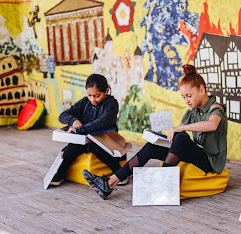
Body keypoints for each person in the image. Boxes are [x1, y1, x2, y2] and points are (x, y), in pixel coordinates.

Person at [83, 64, 228, 200]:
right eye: (184, 97)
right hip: (196, 154)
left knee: (182, 136)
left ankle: (160, 186)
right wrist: (164, 139)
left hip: (210, 162)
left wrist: (180, 129)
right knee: (151, 147)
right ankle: (109, 183)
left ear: (202, 90)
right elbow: (178, 138)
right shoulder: (192, 111)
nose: (186, 100)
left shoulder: (216, 108)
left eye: (189, 96)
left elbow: (212, 125)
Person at [50, 74, 126, 186]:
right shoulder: (85, 102)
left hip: (108, 141)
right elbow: (62, 116)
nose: (92, 99)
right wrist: (73, 120)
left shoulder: (111, 104)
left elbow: (103, 123)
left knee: (93, 145)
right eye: (89, 95)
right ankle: (60, 175)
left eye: (97, 96)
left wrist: (80, 129)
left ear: (106, 91)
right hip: (86, 139)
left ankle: (120, 174)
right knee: (70, 148)